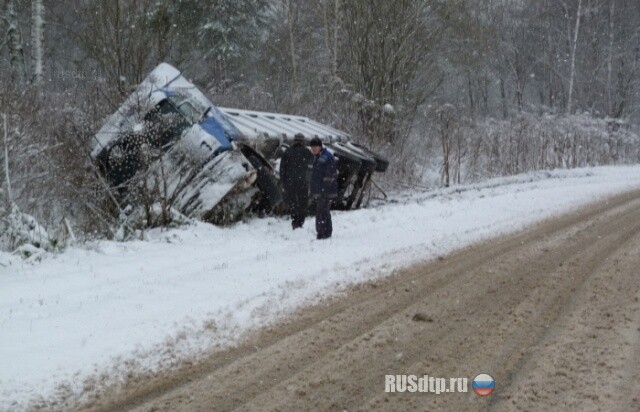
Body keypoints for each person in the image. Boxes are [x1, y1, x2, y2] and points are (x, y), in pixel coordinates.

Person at [279, 133, 314, 229]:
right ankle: (300, 221)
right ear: (303, 141)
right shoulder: (307, 153)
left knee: (292, 201)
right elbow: (311, 168)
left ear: (294, 140)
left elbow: (282, 169)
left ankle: (295, 220)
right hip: (303, 182)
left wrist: (284, 181)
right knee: (302, 202)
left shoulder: (287, 152)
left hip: (290, 182)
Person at [309, 137, 338, 239]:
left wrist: (323, 190)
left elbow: (329, 175)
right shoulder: (318, 157)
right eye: (312, 147)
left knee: (321, 211)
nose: (313, 149)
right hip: (322, 191)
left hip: (326, 191)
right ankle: (326, 232)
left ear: (320, 146)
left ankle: (322, 233)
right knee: (324, 211)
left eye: (315, 147)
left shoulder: (325, 157)